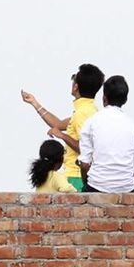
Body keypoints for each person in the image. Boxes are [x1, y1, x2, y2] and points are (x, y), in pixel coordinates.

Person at [21, 64, 104, 192]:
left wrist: (62, 136)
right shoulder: (89, 110)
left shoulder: (82, 114)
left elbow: (86, 149)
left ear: (76, 87)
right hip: (76, 175)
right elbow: (58, 124)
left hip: (76, 176)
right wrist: (34, 103)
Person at [78, 75, 134, 193]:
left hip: (96, 186)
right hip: (126, 188)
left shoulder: (91, 123)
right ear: (125, 100)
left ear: (104, 98)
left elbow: (84, 165)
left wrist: (87, 185)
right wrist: (126, 185)